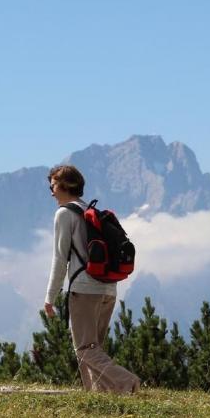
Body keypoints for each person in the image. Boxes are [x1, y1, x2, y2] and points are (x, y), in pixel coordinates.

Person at [43, 164, 140, 394]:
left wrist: (50, 297)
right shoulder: (91, 211)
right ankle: (100, 395)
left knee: (85, 348)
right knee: (94, 348)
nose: (51, 192)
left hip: (85, 290)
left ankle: (127, 381)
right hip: (108, 289)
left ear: (65, 185)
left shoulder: (64, 213)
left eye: (53, 186)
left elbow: (60, 259)